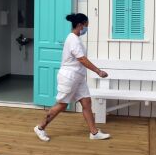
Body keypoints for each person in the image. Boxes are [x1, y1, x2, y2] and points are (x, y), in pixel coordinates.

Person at [34, 13, 110, 141]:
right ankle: (40, 127)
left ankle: (94, 132)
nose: (87, 28)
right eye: (86, 25)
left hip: (78, 77)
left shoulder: (76, 38)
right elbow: (81, 59)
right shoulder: (73, 39)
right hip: (69, 77)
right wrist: (98, 71)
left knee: (86, 103)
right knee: (62, 105)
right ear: (80, 25)